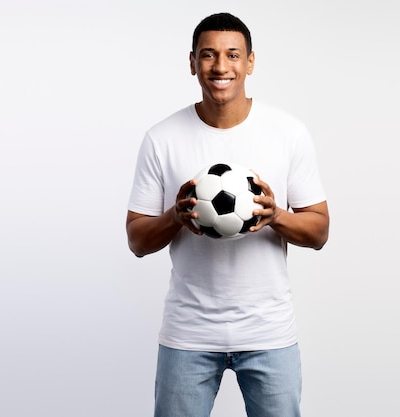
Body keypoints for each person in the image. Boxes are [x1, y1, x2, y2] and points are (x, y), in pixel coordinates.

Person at [126, 12, 329, 417]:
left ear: (250, 62)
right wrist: (175, 218)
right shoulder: (162, 138)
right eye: (208, 55)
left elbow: (320, 231)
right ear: (192, 62)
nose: (221, 67)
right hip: (189, 334)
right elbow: (136, 240)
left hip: (269, 332)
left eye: (232, 55)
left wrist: (276, 216)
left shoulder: (288, 133)